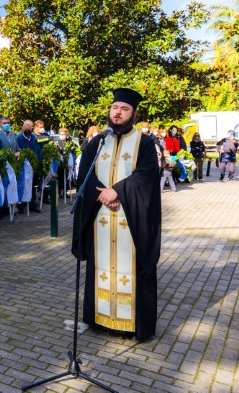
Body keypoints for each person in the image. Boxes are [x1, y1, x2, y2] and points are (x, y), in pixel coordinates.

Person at [72, 88, 162, 341]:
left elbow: (146, 176)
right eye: (115, 108)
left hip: (130, 218)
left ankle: (130, 324)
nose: (118, 113)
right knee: (101, 266)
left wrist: (118, 192)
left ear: (134, 114)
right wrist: (103, 195)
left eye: (124, 109)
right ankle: (100, 318)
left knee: (131, 268)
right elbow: (85, 175)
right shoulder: (98, 142)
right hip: (100, 217)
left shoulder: (144, 143)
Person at [17, 120, 42, 212]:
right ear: (23, 129)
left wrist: (38, 160)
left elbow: (38, 150)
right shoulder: (19, 138)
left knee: (32, 185)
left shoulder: (33, 137)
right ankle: (21, 205)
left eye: (30, 128)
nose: (28, 130)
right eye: (26, 128)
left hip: (33, 164)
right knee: (23, 184)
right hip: (24, 165)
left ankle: (32, 204)